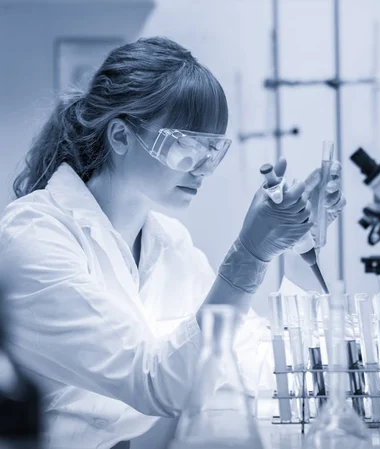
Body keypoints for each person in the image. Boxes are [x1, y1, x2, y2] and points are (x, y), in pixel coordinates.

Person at [0, 37, 345, 449]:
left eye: (212, 149)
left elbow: (247, 355)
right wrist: (250, 255)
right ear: (121, 137)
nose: (201, 167)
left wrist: (297, 237)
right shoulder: (34, 236)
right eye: (185, 144)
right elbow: (156, 382)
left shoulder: (166, 241)